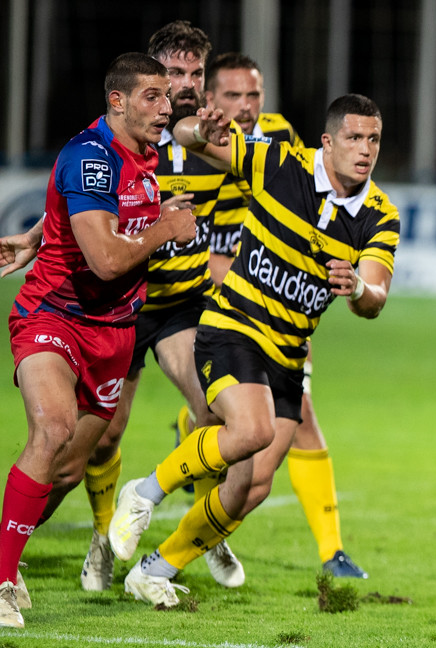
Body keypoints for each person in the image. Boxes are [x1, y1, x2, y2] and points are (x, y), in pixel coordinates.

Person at [107, 94, 399, 608]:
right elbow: (188, 137)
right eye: (354, 138)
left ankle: (155, 569)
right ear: (326, 142)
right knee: (252, 431)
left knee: (252, 486)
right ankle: (144, 492)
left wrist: (356, 289)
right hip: (234, 326)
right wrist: (203, 126)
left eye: (373, 139)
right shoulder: (279, 163)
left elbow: (374, 299)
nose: (365, 149)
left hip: (288, 354)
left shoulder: (380, 215)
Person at [0, 53, 197, 628]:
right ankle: (1, 578)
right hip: (54, 316)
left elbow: (98, 213)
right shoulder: (91, 155)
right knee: (53, 428)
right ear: (117, 101)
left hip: (113, 332)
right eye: (153, 97)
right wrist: (165, 228)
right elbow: (108, 259)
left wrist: (41, 234)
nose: (165, 108)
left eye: (167, 98)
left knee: (67, 468)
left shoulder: (145, 156)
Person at [77, 21, 243, 594]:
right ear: (153, 81)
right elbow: (84, 207)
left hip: (182, 304)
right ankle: (103, 538)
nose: (189, 84)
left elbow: (205, 136)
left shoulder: (208, 138)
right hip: (124, 303)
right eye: (175, 74)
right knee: (103, 436)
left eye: (197, 73)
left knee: (217, 412)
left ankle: (204, 527)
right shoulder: (123, 143)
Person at [196, 51, 367, 578]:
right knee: (228, 431)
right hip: (200, 296)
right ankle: (153, 517)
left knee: (292, 426)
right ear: (210, 101)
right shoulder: (187, 147)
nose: (246, 108)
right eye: (233, 97)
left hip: (267, 298)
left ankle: (329, 549)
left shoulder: (279, 136)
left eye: (254, 95)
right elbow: (177, 241)